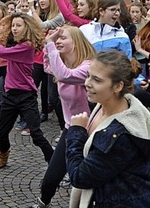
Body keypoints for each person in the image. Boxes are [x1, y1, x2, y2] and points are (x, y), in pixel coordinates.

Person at [66, 50, 150, 207]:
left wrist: (76, 132)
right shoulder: (102, 106)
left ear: (118, 86)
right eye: (88, 75)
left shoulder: (120, 134)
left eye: (97, 80)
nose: (87, 83)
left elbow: (79, 177)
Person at [33, 26, 95, 208]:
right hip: (71, 128)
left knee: (87, 180)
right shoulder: (63, 64)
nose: (58, 41)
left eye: (63, 38)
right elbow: (47, 66)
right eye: (57, 38)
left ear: (76, 43)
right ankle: (43, 203)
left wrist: (50, 45)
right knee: (51, 177)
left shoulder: (88, 66)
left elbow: (66, 76)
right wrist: (48, 45)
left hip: (92, 130)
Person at [0, 12, 54, 171]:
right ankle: (3, 156)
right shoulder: (15, 43)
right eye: (13, 25)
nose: (15, 28)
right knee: (2, 132)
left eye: (18, 25)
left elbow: (0, 52)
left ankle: (53, 162)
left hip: (26, 96)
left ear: (26, 28)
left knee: (36, 134)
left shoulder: (27, 46)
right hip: (10, 96)